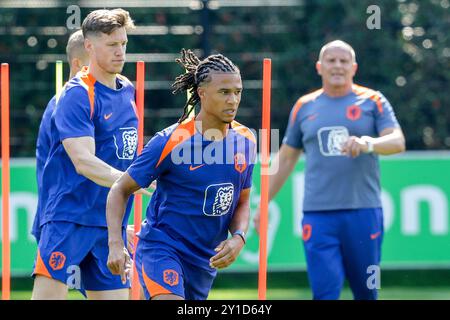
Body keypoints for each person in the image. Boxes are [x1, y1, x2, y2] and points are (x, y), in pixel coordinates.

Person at [254, 40, 405, 300]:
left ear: (354, 67)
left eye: (344, 61)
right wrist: (262, 204)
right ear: (319, 67)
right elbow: (287, 158)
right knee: (324, 293)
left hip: (363, 213)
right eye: (331, 60)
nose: (337, 66)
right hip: (318, 216)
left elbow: (397, 142)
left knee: (367, 293)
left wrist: (368, 143)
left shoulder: (373, 101)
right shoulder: (304, 106)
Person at [106, 49, 256, 300]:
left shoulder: (247, 140)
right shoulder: (170, 141)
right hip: (161, 247)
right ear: (202, 93)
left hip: (203, 262)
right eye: (224, 92)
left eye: (237, 92)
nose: (233, 100)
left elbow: (241, 201)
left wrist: (239, 237)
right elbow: (119, 189)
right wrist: (115, 242)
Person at [32, 8, 146, 300]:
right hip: (69, 218)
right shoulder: (76, 94)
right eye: (112, 45)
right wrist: (133, 180)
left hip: (109, 225)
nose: (120, 51)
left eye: (123, 43)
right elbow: (83, 161)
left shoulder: (128, 91)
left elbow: (127, 155)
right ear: (90, 46)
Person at [33, 30, 89, 243]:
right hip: (64, 223)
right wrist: (132, 181)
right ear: (77, 64)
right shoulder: (65, 105)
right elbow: (83, 165)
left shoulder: (89, 104)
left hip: (89, 223)